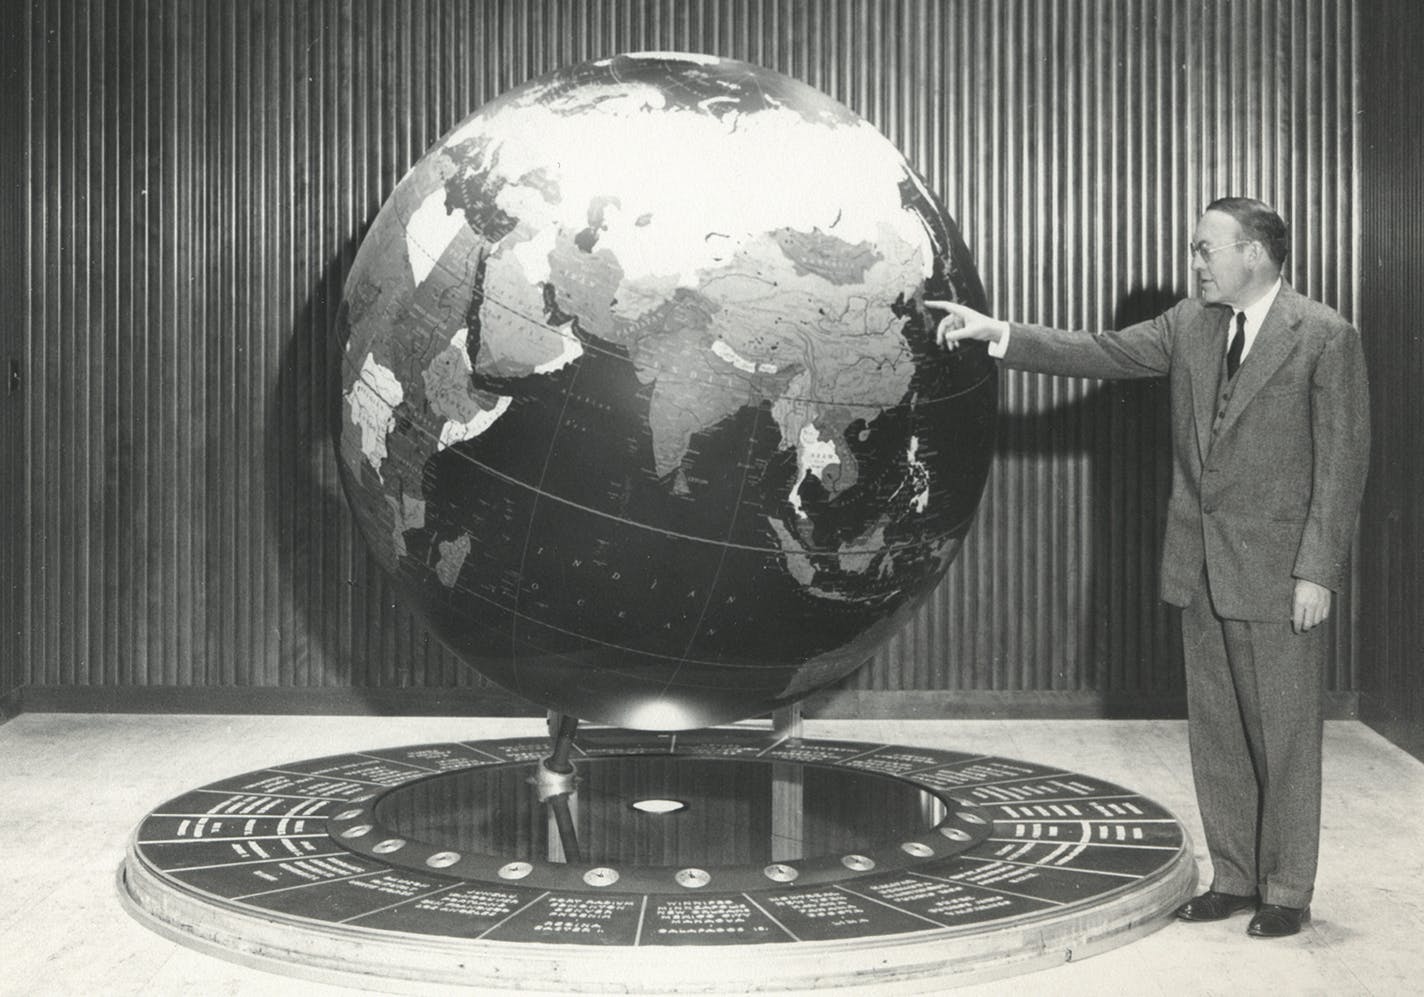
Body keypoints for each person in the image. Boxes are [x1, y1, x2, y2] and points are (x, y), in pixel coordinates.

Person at [929, 197, 1370, 939]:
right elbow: (1097, 350)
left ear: (1254, 253)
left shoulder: (1324, 336)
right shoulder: (1188, 325)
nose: (1195, 262)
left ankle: (1288, 888)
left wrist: (1317, 571)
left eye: (1206, 249)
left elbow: (1342, 466)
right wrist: (996, 334)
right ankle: (1233, 876)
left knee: (1285, 735)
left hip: (1279, 572)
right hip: (1198, 566)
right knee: (1219, 731)